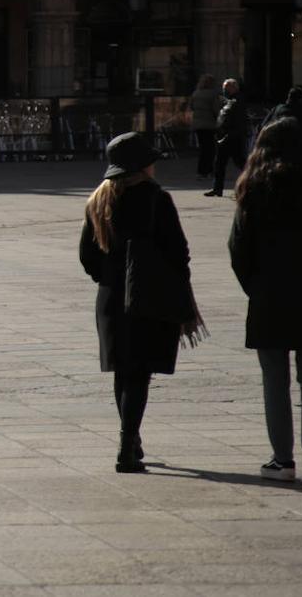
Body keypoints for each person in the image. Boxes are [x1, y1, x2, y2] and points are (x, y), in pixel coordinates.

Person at [80, 132, 191, 473]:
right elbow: (178, 251)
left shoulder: (98, 200)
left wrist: (109, 278)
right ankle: (127, 445)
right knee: (139, 374)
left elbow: (87, 256)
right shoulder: (157, 199)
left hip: (111, 296)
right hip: (147, 295)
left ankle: (132, 440)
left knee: (123, 370)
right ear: (143, 166)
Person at [228, 118, 302, 488]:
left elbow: (238, 247)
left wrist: (254, 285)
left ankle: (281, 459)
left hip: (269, 295)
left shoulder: (253, 188)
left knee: (275, 378)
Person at [205, 78, 248, 198]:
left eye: (226, 87)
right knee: (219, 163)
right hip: (224, 136)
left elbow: (239, 121)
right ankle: (217, 188)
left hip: (233, 137)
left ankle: (251, 184)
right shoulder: (228, 100)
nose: (224, 90)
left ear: (233, 87)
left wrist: (232, 134)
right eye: (224, 87)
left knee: (240, 162)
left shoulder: (238, 100)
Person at [189, 74, 221, 180]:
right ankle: (208, 171)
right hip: (210, 124)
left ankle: (202, 171)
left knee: (203, 148)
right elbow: (216, 109)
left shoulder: (196, 93)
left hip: (198, 125)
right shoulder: (213, 94)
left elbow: (192, 107)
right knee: (210, 149)